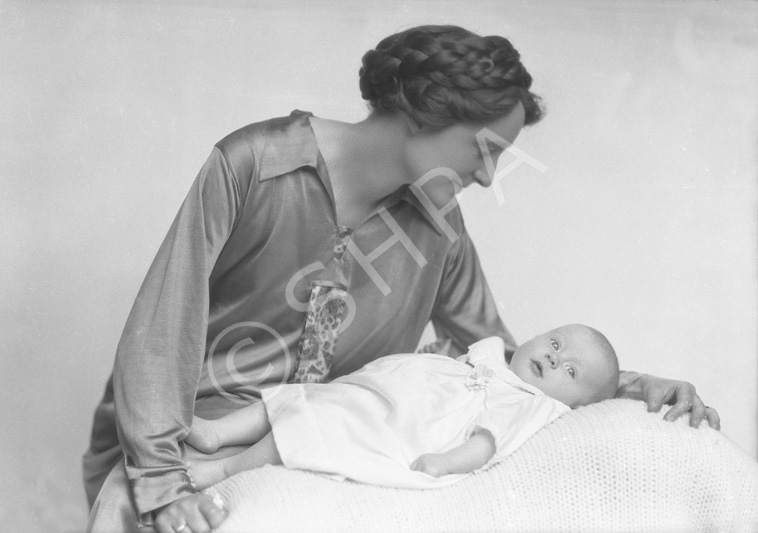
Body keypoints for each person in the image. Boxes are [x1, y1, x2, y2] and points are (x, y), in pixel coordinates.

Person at [83, 24, 720, 533]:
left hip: (347, 447)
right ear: (425, 112)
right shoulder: (254, 163)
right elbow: (160, 330)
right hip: (190, 434)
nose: (491, 177)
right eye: (485, 150)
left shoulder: (439, 226)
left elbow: (505, 363)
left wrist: (634, 385)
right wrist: (163, 483)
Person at [184, 324, 619, 495]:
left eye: (570, 370)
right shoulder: (496, 359)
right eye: (555, 343)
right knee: (301, 397)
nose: (553, 358)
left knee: (318, 425)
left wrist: (446, 462)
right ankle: (216, 433)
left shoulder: (528, 403)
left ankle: (223, 470)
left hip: (400, 423)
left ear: (571, 405)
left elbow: (488, 440)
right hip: (379, 390)